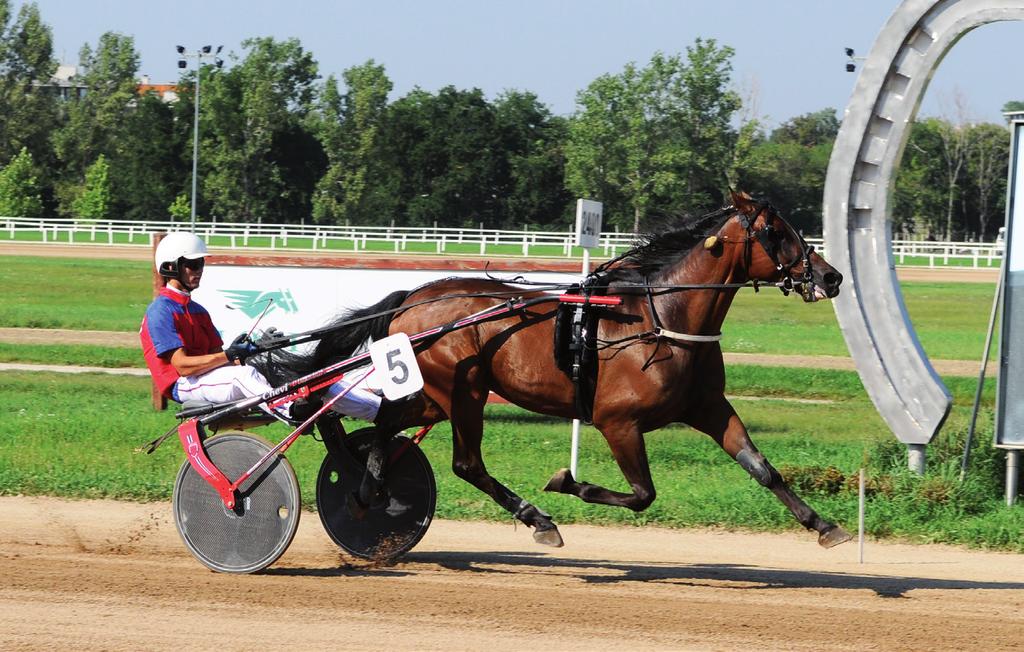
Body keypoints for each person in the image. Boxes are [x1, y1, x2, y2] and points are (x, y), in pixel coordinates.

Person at [139, 232, 381, 422]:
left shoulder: (198, 311)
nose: (199, 270)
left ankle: (377, 409)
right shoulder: (161, 311)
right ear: (172, 267)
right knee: (243, 376)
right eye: (192, 264)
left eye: (201, 263)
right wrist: (229, 356)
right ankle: (289, 411)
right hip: (184, 386)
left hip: (208, 378)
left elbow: (223, 360)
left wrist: (256, 349)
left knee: (305, 375)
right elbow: (181, 366)